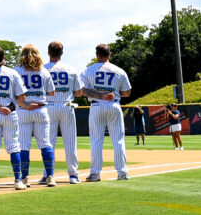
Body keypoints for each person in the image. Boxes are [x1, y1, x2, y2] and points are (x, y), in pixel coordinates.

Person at [0, 46, 35, 191]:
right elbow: (21, 96)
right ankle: (18, 180)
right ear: (4, 58)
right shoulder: (12, 73)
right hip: (9, 112)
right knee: (13, 147)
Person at [80, 43, 133, 180]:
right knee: (118, 140)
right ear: (110, 54)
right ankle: (122, 172)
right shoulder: (119, 70)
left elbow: (82, 91)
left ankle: (95, 173)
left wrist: (100, 95)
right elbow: (127, 93)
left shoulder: (88, 70)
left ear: (97, 55)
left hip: (96, 105)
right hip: (113, 104)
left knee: (96, 140)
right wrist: (113, 93)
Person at [14, 44, 58, 186]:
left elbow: (14, 94)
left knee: (23, 145)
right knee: (45, 143)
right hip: (40, 109)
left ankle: (25, 178)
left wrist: (26, 102)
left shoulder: (17, 71)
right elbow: (51, 93)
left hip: (23, 110)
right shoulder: (44, 71)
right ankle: (50, 176)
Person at [44, 42, 83, 184]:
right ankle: (73, 175)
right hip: (66, 105)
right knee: (70, 142)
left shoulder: (42, 69)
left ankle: (47, 174)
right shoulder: (71, 69)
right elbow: (78, 92)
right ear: (62, 53)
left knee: (48, 143)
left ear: (48, 52)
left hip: (49, 106)